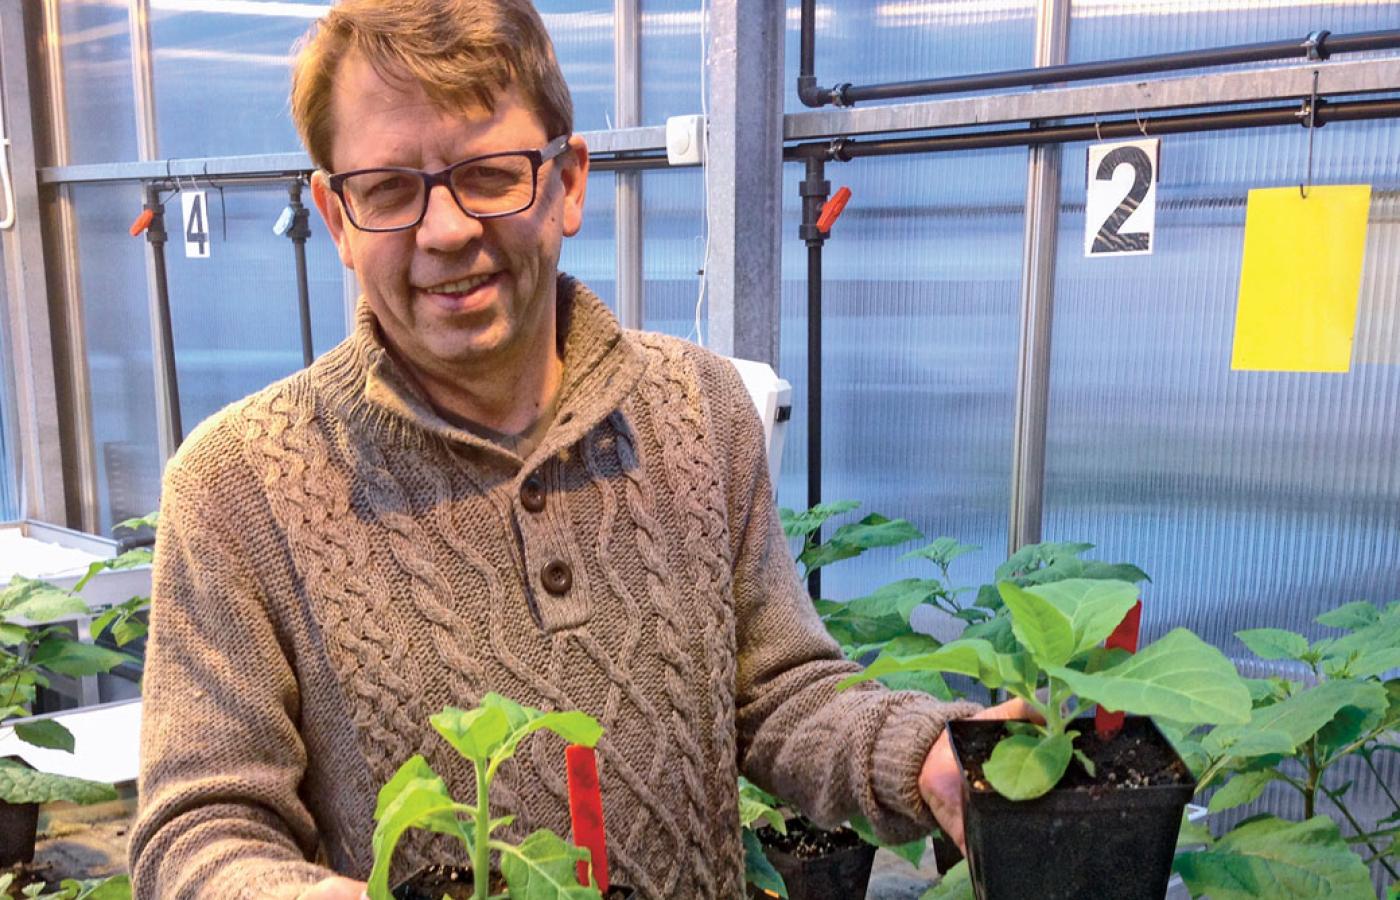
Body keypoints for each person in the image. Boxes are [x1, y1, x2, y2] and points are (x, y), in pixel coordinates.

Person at [128, 1, 1025, 897]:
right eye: (390, 189)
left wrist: (926, 754)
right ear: (337, 216)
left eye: (490, 175)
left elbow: (777, 689)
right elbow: (198, 832)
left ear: (568, 183)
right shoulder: (240, 486)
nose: (446, 230)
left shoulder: (699, 410)